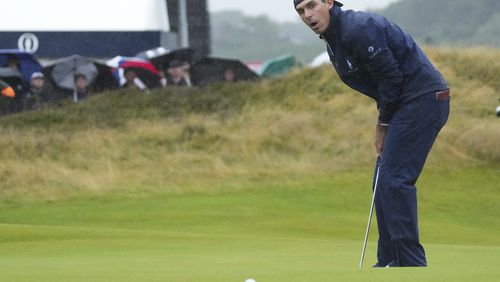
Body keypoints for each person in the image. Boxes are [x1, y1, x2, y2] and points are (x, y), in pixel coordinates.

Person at [294, 0, 450, 267]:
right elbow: (381, 84)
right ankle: (389, 260)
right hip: (405, 102)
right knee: (382, 181)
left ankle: (410, 264)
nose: (308, 15)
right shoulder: (335, 39)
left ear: (329, 2)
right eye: (301, 11)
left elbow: (391, 79)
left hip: (423, 98)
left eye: (312, 5)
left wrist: (384, 124)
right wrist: (386, 119)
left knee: (394, 179)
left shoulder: (357, 29)